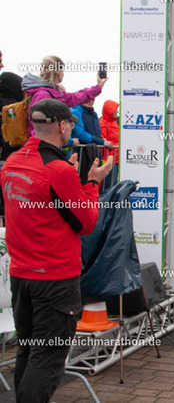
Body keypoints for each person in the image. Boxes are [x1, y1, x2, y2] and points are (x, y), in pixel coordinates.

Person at [0, 99, 113, 402]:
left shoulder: (12, 162)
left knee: (28, 350)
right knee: (48, 357)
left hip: (21, 274)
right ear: (62, 125)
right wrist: (91, 183)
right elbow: (86, 222)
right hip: (54, 277)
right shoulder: (57, 170)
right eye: (71, 126)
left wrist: (70, 179)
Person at [22, 56, 107, 138]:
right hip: (42, 143)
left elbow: (75, 97)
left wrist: (98, 87)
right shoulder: (44, 95)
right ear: (58, 72)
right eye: (62, 70)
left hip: (48, 142)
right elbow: (36, 125)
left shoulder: (54, 93)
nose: (63, 74)